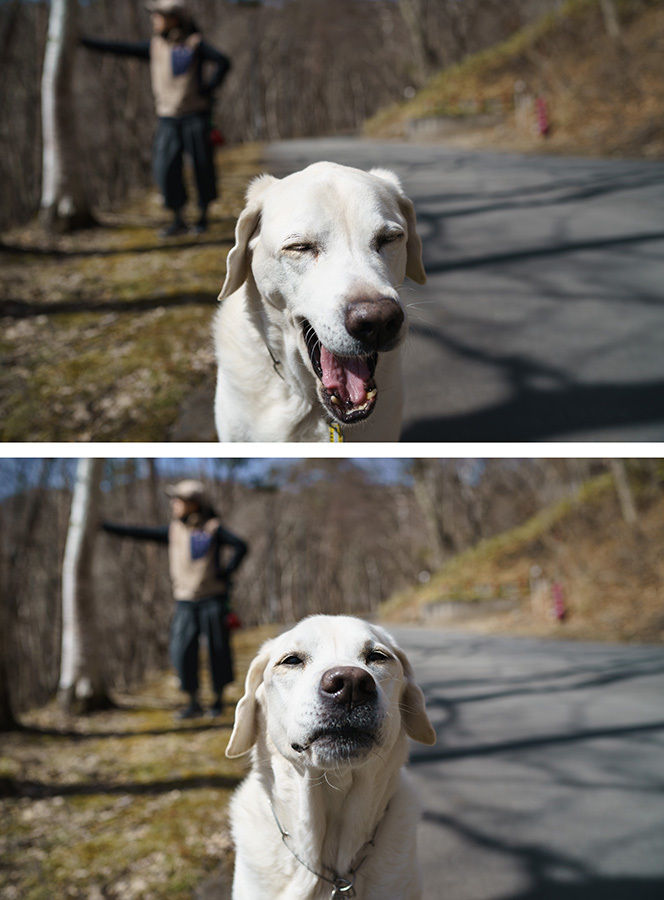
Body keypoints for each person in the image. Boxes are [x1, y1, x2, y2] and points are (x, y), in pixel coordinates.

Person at [81, 1, 231, 237]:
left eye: (158, 16)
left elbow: (223, 62)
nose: (154, 20)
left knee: (202, 167)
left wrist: (208, 89)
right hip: (168, 118)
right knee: (165, 168)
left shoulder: (194, 43)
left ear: (174, 19)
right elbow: (120, 48)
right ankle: (178, 217)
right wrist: (84, 42)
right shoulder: (155, 46)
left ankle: (202, 216)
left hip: (195, 117)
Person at [102, 479, 248, 719]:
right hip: (185, 601)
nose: (174, 504)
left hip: (213, 599)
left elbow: (241, 546)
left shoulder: (212, 528)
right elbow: (142, 533)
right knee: (182, 650)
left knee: (217, 650)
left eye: (179, 500)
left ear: (194, 504)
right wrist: (106, 527)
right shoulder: (173, 530)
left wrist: (226, 572)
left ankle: (218, 700)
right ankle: (193, 701)